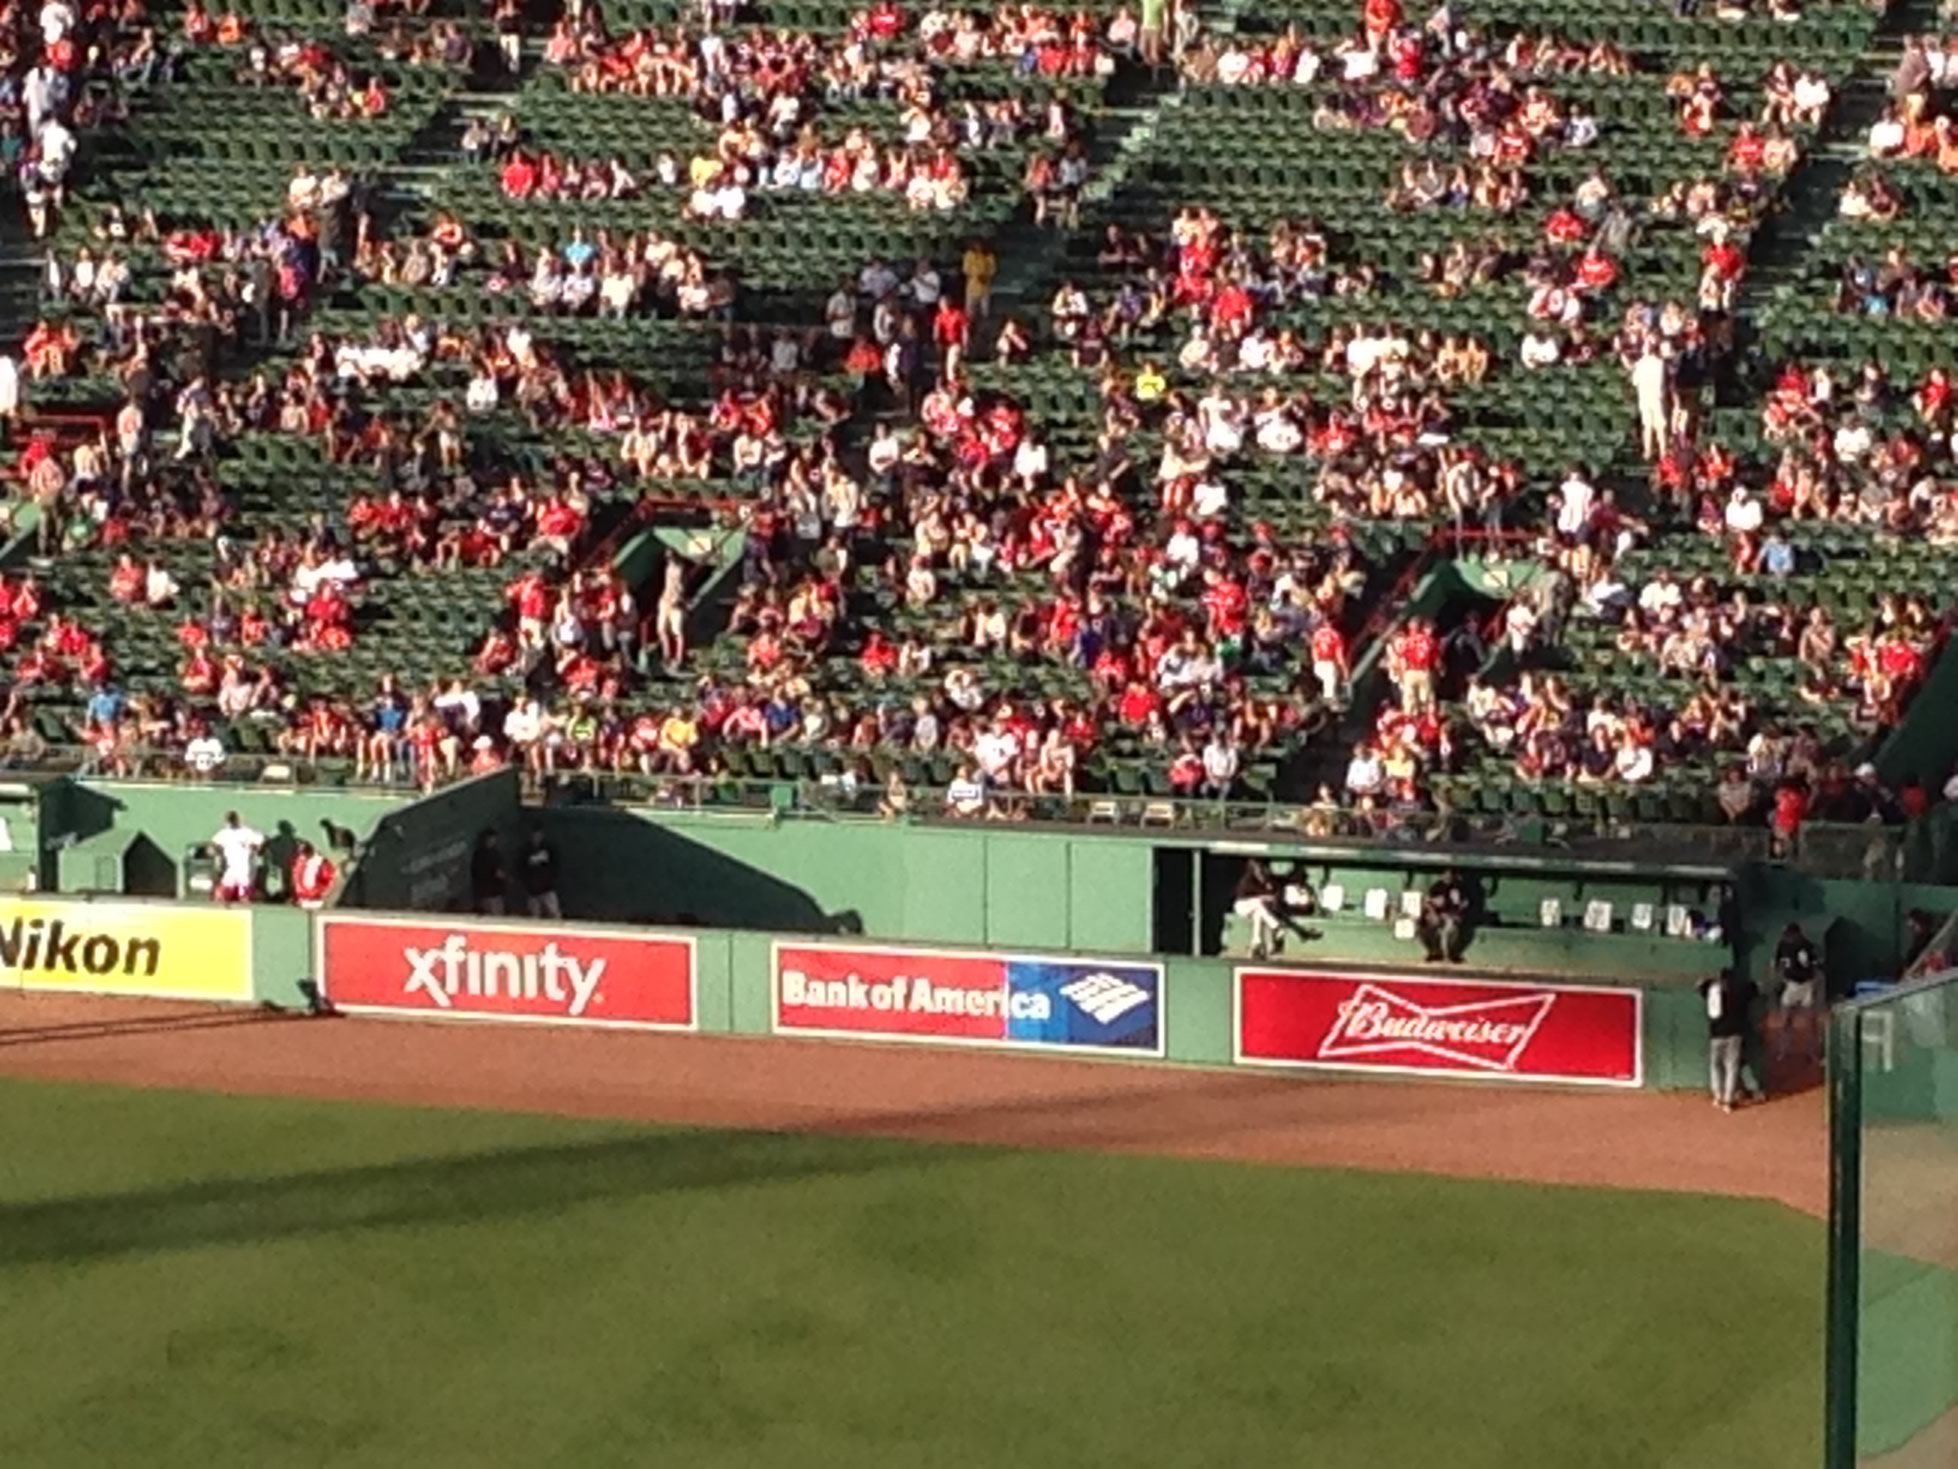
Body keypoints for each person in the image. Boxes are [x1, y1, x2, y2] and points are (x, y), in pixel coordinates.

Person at [1698, 969, 1759, 1111]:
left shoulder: (1712, 991)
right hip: (1735, 1035)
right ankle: (1728, 1100)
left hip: (1716, 1035)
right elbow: (1755, 989)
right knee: (1731, 1067)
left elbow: (1700, 986)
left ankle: (1718, 1096)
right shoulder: (1740, 991)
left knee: (1715, 1066)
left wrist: (1710, 980)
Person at [1771, 921, 1823, 1064]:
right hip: (1791, 985)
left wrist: (1814, 985)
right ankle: (1783, 1051)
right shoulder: (1782, 945)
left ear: (1797, 934)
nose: (1788, 937)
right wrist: (1780, 980)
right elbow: (1776, 965)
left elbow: (1817, 968)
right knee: (1785, 1020)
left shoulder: (1808, 946)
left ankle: (1813, 1053)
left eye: (1790, 934)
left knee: (1810, 1021)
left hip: (1806, 985)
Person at [209, 811, 264, 903]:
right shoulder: (224, 833)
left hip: (243, 868)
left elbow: (260, 841)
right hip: (231, 868)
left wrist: (255, 849)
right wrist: (216, 851)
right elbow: (213, 845)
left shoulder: (246, 832)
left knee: (243, 894)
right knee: (223, 894)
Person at [1419, 868, 1469, 962]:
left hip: (1452, 917)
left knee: (1449, 928)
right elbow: (1427, 902)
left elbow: (1464, 904)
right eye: (1445, 874)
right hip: (1439, 916)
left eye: (1450, 875)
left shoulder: (1458, 887)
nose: (1448, 877)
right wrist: (1433, 914)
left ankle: (1450, 955)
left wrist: (1455, 915)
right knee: (1425, 926)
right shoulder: (1436, 887)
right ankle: (1434, 952)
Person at [519, 827, 561, 919]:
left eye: (538, 835)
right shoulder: (525, 850)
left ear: (542, 835)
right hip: (532, 891)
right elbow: (521, 868)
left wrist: (550, 880)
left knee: (554, 913)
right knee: (534, 916)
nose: (536, 837)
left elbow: (555, 866)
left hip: (547, 889)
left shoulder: (549, 848)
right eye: (534, 835)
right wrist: (528, 883)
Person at [289, 841, 337, 910]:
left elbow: (329, 881)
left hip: (317, 901)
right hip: (302, 901)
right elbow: (295, 880)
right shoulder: (299, 861)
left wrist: (318, 894)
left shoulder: (322, 862)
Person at [471, 829, 507, 915]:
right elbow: (478, 874)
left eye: (494, 839)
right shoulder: (479, 855)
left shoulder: (495, 853)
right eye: (490, 839)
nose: (493, 841)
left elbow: (500, 871)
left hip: (496, 892)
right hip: (487, 893)